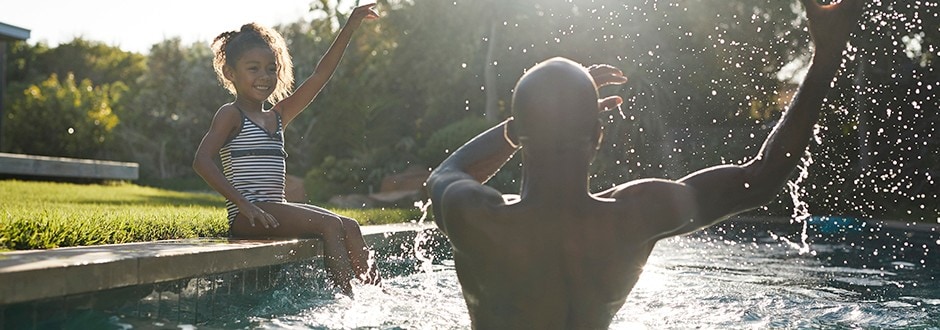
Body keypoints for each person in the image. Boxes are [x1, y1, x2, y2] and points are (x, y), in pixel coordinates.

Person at [425, 0, 866, 328]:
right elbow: (761, 177)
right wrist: (825, 57)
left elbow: (444, 175)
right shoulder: (636, 215)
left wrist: (524, 122)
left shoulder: (477, 217)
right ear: (598, 136)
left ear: (521, 134)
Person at [193, 4, 380, 296]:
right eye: (253, 69)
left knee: (351, 225)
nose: (264, 76)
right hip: (247, 217)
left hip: (274, 211)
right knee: (330, 225)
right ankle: (347, 303)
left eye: (271, 68)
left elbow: (319, 76)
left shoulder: (278, 116)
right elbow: (202, 161)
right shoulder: (231, 114)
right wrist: (243, 204)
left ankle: (379, 298)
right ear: (230, 73)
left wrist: (350, 26)